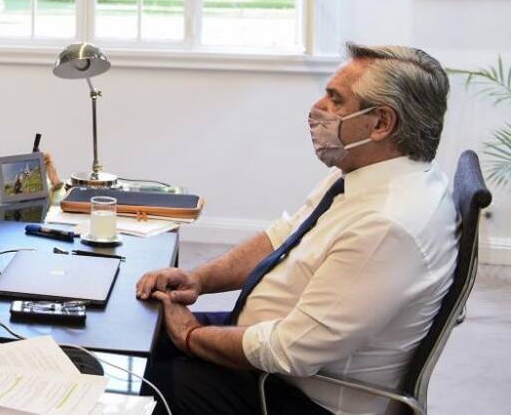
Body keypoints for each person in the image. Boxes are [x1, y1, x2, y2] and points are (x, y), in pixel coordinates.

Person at [136, 43, 458, 415]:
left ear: (381, 123)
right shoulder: (369, 173)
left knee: (130, 383)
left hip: (289, 393)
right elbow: (283, 237)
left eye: (336, 100)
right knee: (136, 329)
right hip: (265, 350)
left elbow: (291, 351)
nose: (318, 107)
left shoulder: (388, 226)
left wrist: (191, 337)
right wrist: (199, 280)